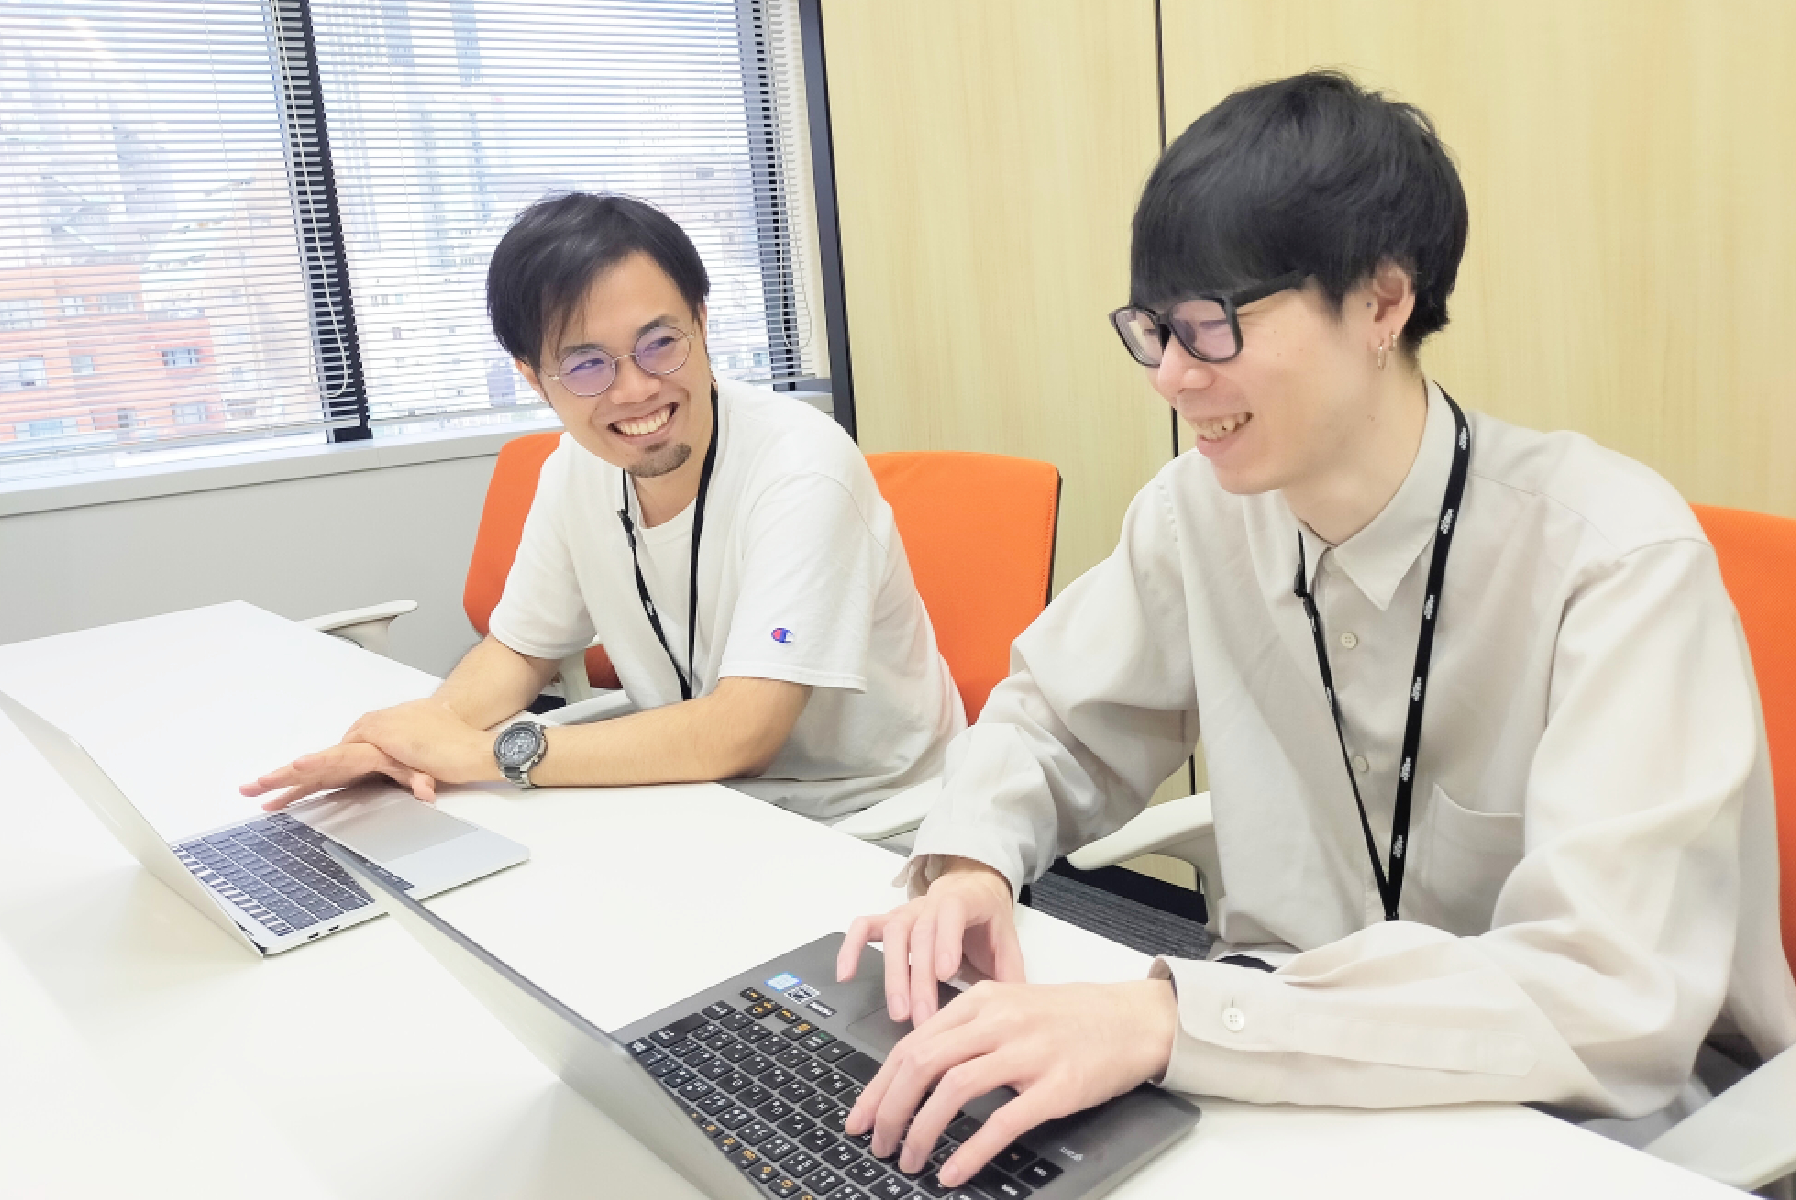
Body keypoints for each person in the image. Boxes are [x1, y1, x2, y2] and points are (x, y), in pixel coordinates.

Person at [835, 71, 1796, 1189]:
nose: (1172, 376)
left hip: (1569, 1122)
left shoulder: (1616, 561)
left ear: (1383, 303)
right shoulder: (1198, 513)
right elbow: (1055, 721)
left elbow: (1602, 996)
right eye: (1154, 329)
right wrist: (970, 863)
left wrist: (1170, 1019)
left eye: (1214, 324)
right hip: (1272, 1075)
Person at [243, 193, 964, 819]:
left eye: (660, 344)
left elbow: (744, 731)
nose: (635, 389)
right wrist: (408, 740)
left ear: (702, 323)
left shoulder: (801, 466)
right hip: (699, 800)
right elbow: (520, 650)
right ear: (534, 378)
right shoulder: (576, 470)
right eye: (587, 364)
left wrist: (486, 752)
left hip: (868, 819)